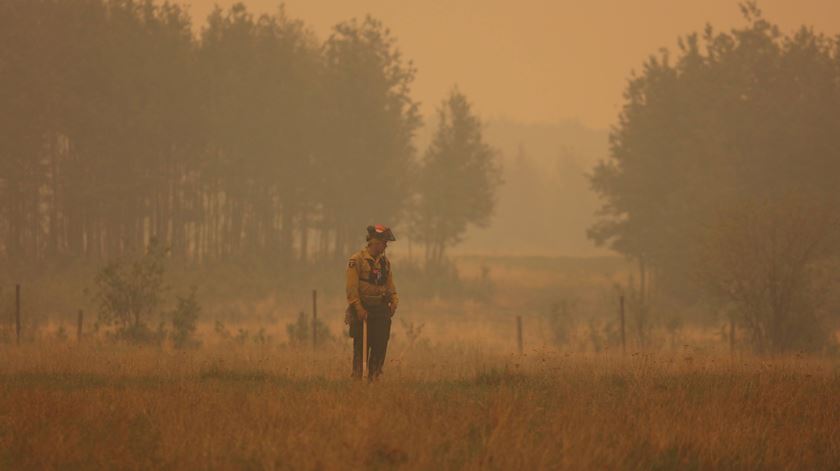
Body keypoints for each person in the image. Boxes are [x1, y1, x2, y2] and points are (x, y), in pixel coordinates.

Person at [345, 224, 399, 380]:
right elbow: (351, 288)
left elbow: (390, 286)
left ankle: (374, 378)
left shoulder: (385, 263)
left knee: (380, 345)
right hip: (363, 309)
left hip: (380, 310)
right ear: (375, 242)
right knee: (361, 346)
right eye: (384, 243)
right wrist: (358, 308)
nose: (386, 246)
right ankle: (357, 377)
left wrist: (394, 301)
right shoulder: (357, 260)